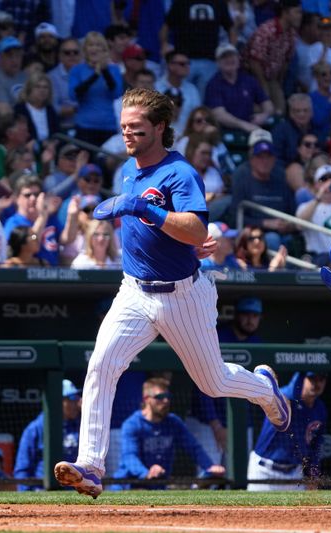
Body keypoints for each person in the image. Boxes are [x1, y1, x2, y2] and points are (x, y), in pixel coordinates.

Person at [53, 88, 292, 499]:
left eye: (137, 128)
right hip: (133, 290)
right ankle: (90, 465)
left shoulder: (179, 172)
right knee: (101, 367)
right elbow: (177, 234)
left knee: (213, 381)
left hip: (181, 295)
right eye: (124, 127)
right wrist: (164, 227)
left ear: (160, 128)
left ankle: (266, 391)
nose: (127, 134)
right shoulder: (129, 168)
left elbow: (198, 228)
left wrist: (150, 212)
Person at [113, 377, 225, 489]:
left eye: (168, 397)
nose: (165, 401)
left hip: (157, 486)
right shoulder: (132, 424)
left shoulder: (173, 422)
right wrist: (146, 472)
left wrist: (210, 467)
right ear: (146, 399)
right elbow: (129, 456)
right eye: (160, 397)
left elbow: (194, 448)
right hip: (128, 485)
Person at [247, 371, 328, 491]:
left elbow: (316, 446)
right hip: (264, 470)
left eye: (321, 379)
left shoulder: (320, 409)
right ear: (301, 379)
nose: (316, 384)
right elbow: (289, 393)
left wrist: (313, 474)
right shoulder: (284, 398)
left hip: (294, 473)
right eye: (312, 379)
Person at [14, 379, 81, 491]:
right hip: (42, 491)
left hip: (75, 490)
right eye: (72, 398)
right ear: (58, 401)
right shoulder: (35, 428)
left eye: (76, 398)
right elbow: (22, 469)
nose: (76, 403)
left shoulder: (80, 425)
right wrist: (26, 495)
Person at [204, 43, 274, 134]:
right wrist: (244, 125)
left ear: (238, 59)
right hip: (224, 132)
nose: (229, 59)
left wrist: (264, 115)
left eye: (232, 56)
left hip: (250, 129)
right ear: (218, 63)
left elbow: (268, 104)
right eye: (224, 57)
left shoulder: (249, 80)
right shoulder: (213, 84)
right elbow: (219, 115)